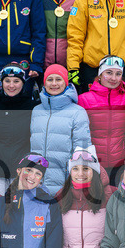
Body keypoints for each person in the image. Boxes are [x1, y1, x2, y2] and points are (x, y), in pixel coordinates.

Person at [30, 64, 91, 193]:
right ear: (44, 83)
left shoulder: (77, 112)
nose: (54, 84)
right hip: (37, 182)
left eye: (58, 79)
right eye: (50, 79)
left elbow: (82, 149)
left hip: (64, 184)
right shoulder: (36, 111)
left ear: (66, 82)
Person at [77, 56, 125, 190]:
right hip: (94, 162)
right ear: (100, 74)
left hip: (120, 162)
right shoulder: (84, 99)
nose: (114, 78)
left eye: (118, 74)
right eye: (109, 73)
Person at [0, 64, 38, 193]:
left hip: (22, 172)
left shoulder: (33, 108)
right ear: (2, 82)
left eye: (16, 81)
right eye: (7, 81)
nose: (11, 86)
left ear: (23, 83)